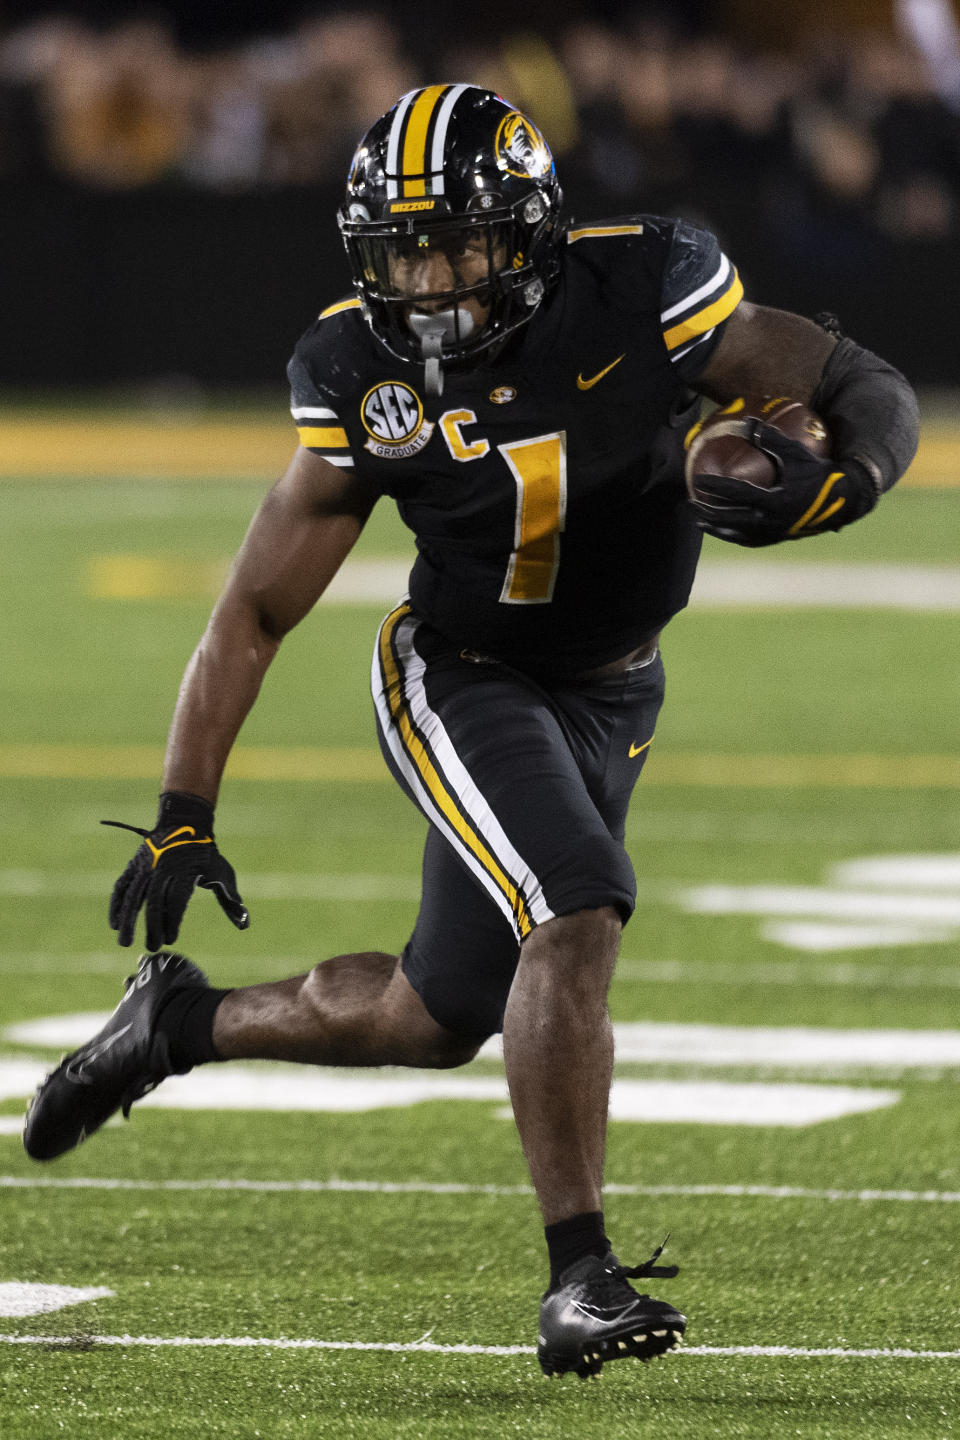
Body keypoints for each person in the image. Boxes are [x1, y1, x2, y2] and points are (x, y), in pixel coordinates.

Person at [24, 84, 919, 1378]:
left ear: (535, 235)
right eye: (401, 252)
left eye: (455, 244)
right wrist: (181, 809)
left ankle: (176, 1024)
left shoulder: (649, 286)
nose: (429, 280)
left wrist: (842, 479)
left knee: (436, 1013)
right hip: (462, 672)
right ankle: (581, 1280)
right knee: (577, 902)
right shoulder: (358, 370)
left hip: (617, 685)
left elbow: (856, 383)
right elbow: (260, 605)